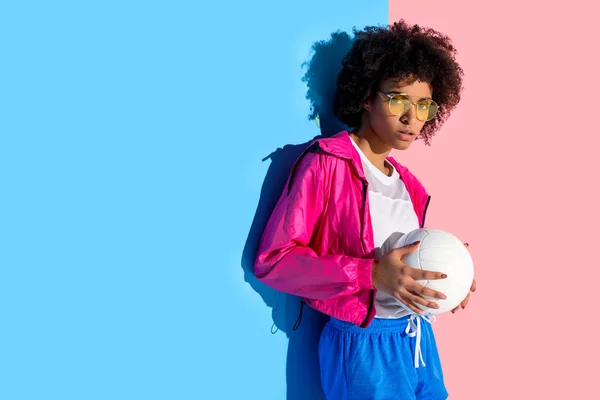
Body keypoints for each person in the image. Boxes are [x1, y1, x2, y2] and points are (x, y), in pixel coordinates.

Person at [254, 20, 475, 400]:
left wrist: (446, 281)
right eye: (397, 100)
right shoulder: (325, 163)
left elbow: (405, 265)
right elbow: (274, 261)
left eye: (423, 104)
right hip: (361, 344)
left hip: (417, 337)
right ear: (366, 97)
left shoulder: (412, 187)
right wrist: (371, 273)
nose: (412, 117)